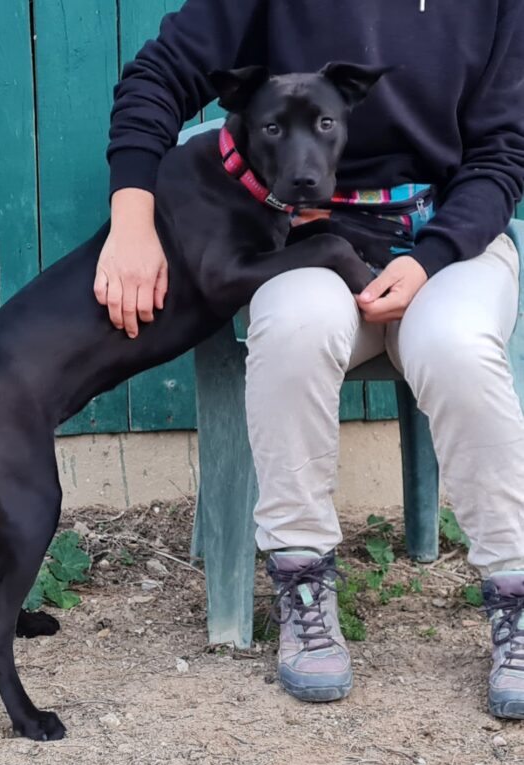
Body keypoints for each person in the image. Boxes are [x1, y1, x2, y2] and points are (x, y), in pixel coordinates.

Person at [95, 0, 524, 717]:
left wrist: (432, 257)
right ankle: (302, 582)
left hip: (446, 238)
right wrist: (131, 220)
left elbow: (503, 151)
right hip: (307, 238)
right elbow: (159, 75)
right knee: (294, 329)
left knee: (456, 347)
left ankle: (514, 594)